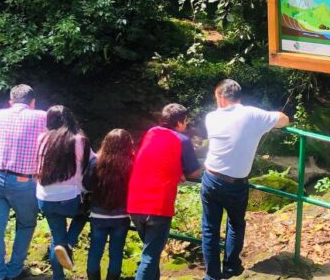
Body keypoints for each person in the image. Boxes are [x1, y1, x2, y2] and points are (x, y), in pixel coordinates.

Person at [202, 79, 289, 280]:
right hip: (237, 183)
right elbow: (284, 119)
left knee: (209, 228)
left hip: (211, 178)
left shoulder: (211, 117)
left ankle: (211, 276)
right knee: (235, 224)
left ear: (221, 98)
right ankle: (231, 268)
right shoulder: (253, 115)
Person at [127, 104, 202, 280]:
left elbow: (156, 161)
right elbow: (195, 172)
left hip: (135, 203)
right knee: (150, 256)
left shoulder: (151, 132)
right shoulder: (182, 140)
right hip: (158, 205)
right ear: (180, 121)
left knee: (150, 252)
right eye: (185, 121)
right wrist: (181, 172)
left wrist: (176, 170)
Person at [0, 85, 46, 280]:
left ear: (11, 101)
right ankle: (14, 270)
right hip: (23, 181)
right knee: (25, 224)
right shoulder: (41, 116)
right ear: (32, 102)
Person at [36, 105, 92, 280]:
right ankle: (69, 242)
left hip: (44, 198)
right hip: (69, 200)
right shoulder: (79, 139)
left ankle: (58, 277)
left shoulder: (42, 138)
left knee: (56, 240)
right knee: (85, 214)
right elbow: (93, 161)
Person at [84, 129, 135, 280]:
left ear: (106, 142)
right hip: (122, 215)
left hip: (98, 214)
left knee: (95, 250)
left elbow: (86, 185)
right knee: (116, 252)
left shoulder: (96, 161)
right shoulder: (132, 163)